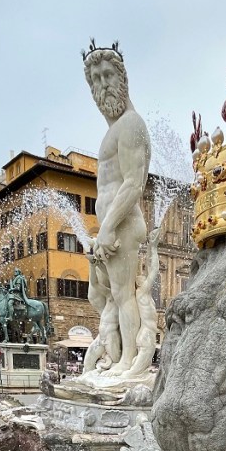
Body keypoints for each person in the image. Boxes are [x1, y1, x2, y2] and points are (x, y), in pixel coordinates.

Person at [82, 42, 151, 378]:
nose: (103, 85)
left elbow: (134, 183)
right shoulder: (115, 129)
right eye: (95, 79)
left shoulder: (131, 123)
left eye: (108, 75)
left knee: (124, 296)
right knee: (106, 297)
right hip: (111, 225)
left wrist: (108, 227)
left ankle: (128, 363)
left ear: (123, 79)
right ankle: (118, 355)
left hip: (121, 224)